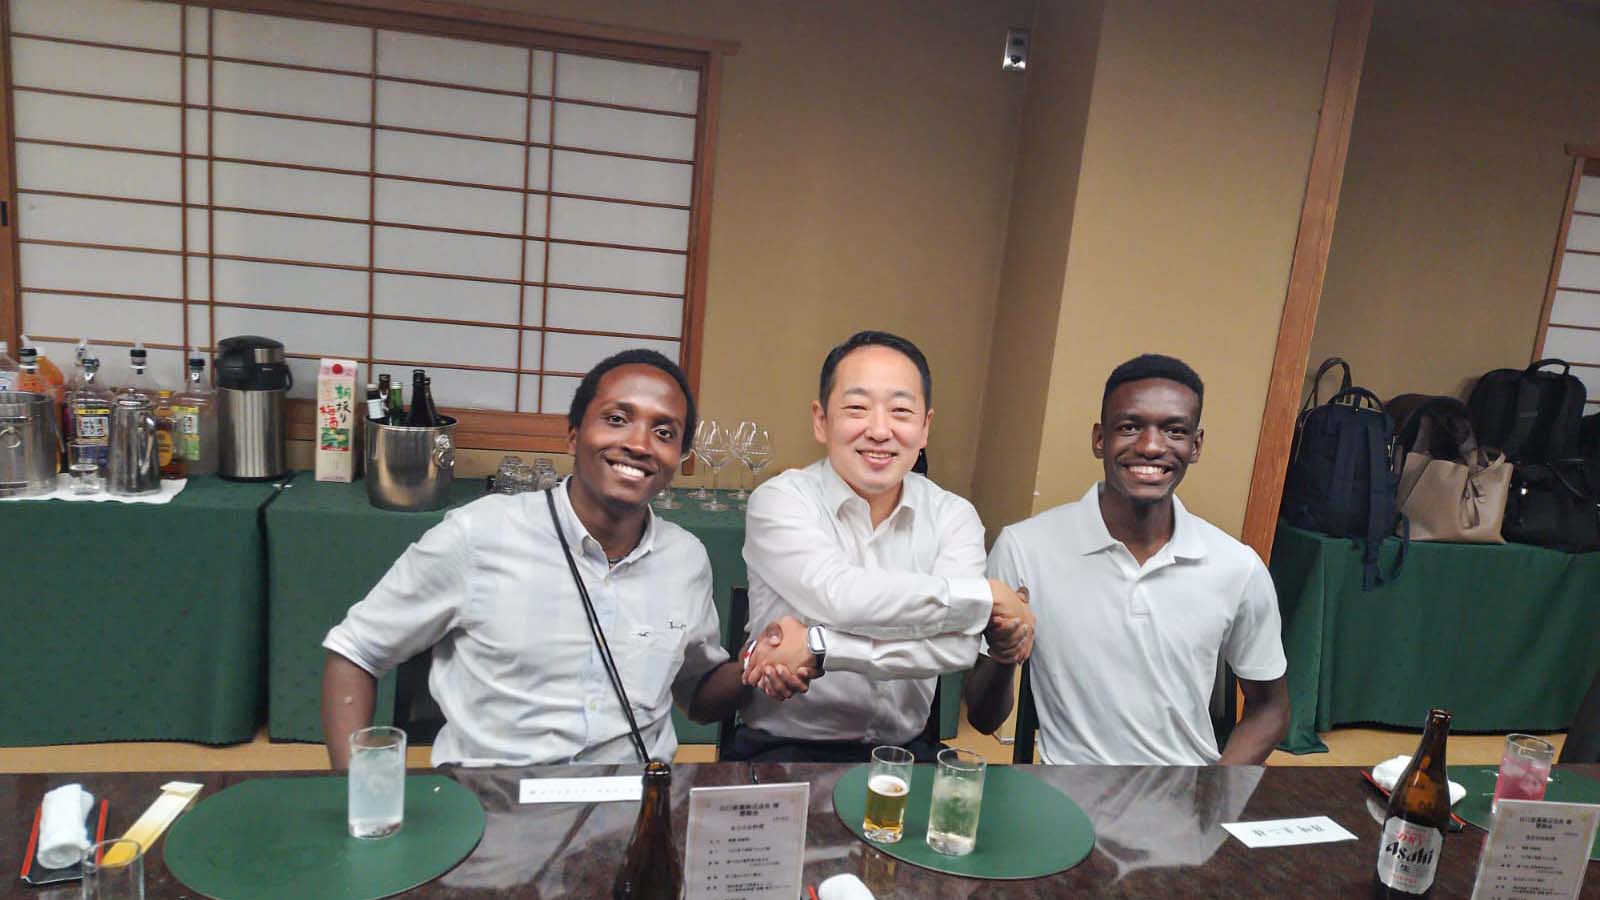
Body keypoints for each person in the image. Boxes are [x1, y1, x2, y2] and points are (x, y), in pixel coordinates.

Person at [320, 349, 802, 768]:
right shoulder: (478, 535)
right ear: (573, 435)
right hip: (493, 805)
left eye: (664, 431)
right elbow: (355, 651)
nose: (638, 443)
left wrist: (757, 664)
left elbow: (697, 696)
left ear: (680, 456)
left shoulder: (685, 559)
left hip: (635, 807)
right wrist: (356, 791)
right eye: (616, 419)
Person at [964, 354, 1289, 765]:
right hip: (1069, 799)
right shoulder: (1025, 548)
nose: (1151, 446)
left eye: (1174, 430)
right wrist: (1002, 653)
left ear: (1195, 446)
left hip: (1186, 797)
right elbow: (981, 717)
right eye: (1130, 427)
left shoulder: (1237, 567)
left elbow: (1271, 707)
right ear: (1100, 438)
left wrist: (1214, 795)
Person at [731, 330, 1035, 762]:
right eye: (856, 408)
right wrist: (982, 597)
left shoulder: (954, 516)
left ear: (925, 427)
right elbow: (841, 597)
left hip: (906, 752)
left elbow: (959, 648)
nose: (879, 430)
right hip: (783, 748)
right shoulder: (781, 500)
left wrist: (822, 648)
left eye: (900, 411)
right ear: (821, 420)